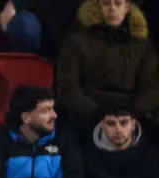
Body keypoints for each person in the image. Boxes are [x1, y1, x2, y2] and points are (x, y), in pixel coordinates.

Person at [56, 0, 159, 136]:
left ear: (127, 7)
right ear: (98, 6)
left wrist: (131, 113)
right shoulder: (77, 41)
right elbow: (67, 88)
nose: (112, 9)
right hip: (87, 115)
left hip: (132, 115)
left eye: (117, 3)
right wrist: (96, 113)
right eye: (106, 3)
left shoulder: (141, 44)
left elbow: (151, 88)